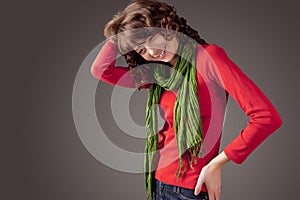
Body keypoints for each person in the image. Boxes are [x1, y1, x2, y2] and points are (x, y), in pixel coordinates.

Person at [90, 0, 282, 199]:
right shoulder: (158, 73)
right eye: (141, 50)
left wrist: (216, 164)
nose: (152, 52)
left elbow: (266, 117)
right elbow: (100, 70)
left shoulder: (208, 58)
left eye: (151, 38)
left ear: (165, 25)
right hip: (158, 182)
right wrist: (119, 33)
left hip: (190, 188)